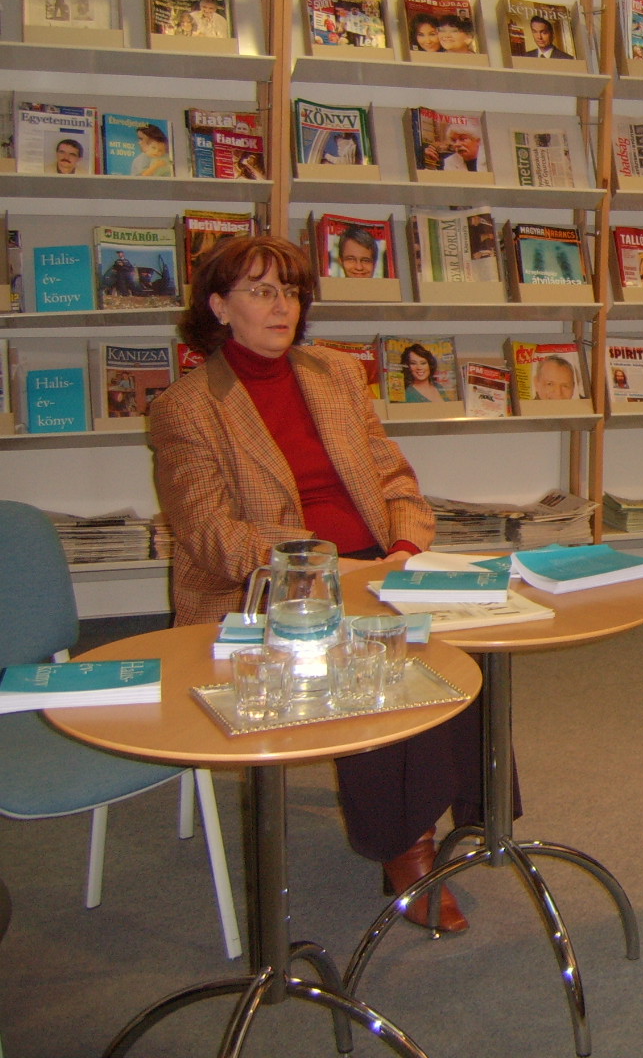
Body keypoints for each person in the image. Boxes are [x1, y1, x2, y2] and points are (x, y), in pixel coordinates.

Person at [148, 235, 508, 934]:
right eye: (260, 291)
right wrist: (322, 566)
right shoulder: (186, 407)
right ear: (219, 308)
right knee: (379, 659)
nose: (281, 306)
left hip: (376, 560)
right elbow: (213, 535)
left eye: (289, 291)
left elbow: (394, 477)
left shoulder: (336, 373)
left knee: (468, 645)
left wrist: (403, 548)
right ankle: (406, 847)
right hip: (266, 587)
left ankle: (474, 814)